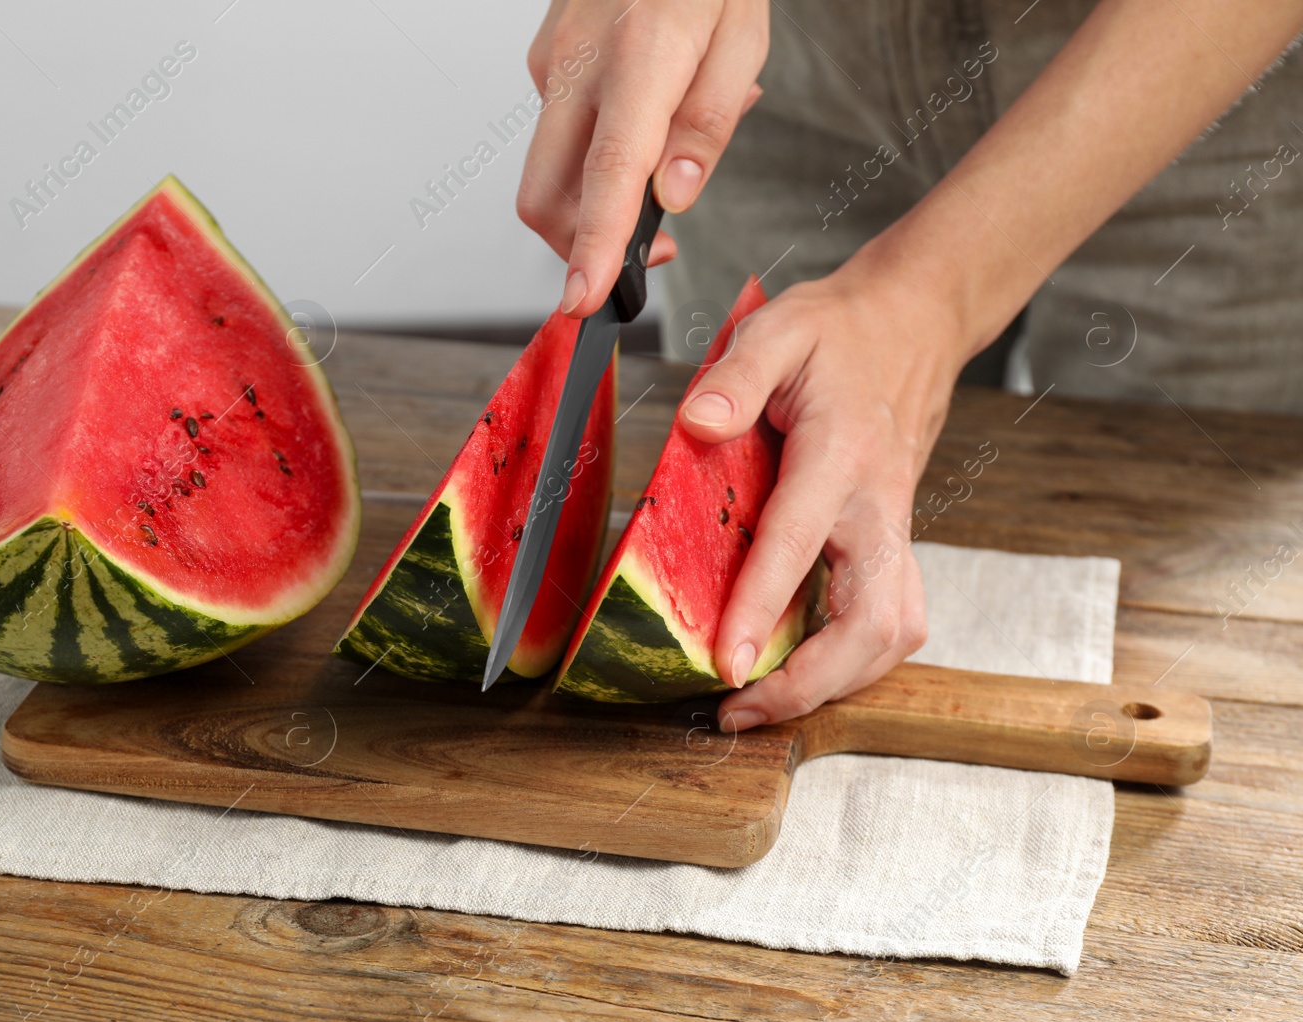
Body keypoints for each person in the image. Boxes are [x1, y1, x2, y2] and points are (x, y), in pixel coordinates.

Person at [515, 0, 1303, 732]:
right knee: (786, 498)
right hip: (802, 55)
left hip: (1192, 80)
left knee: (1211, 640)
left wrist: (928, 299)